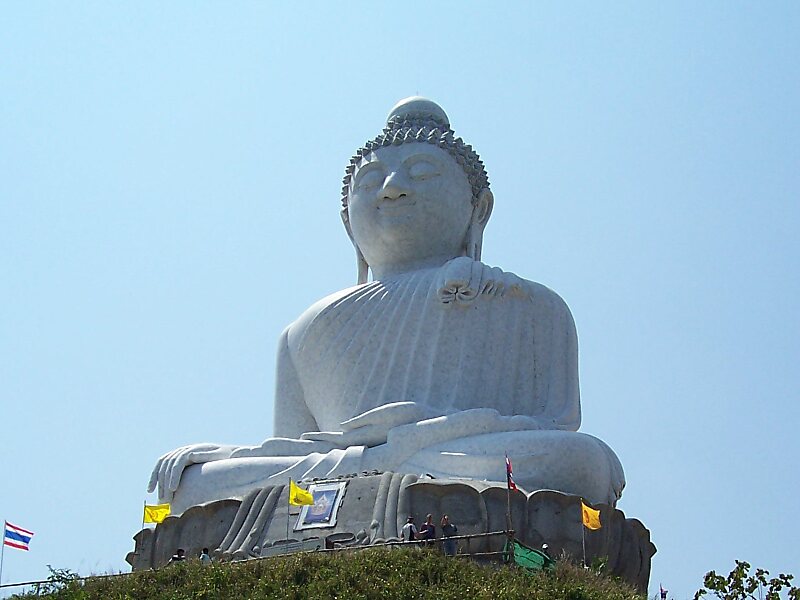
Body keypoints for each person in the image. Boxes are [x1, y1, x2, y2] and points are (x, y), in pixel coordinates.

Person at [147, 97, 626, 516]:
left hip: (457, 456)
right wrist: (231, 457)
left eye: (423, 173)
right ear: (347, 222)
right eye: (372, 178)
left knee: (583, 463)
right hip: (334, 468)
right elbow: (295, 450)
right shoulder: (302, 330)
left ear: (478, 209)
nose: (392, 188)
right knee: (190, 485)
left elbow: (553, 424)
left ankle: (384, 481)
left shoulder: (529, 303)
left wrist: (420, 435)